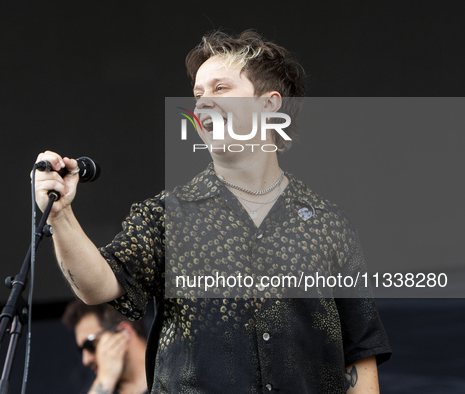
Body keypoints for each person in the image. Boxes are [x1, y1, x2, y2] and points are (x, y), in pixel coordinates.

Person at [34, 30, 391, 393]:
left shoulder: (328, 224)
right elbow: (98, 286)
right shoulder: (166, 214)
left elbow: (359, 353)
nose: (203, 104)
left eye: (220, 89)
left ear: (269, 105)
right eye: (198, 95)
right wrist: (60, 214)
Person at [61, 299, 148, 394]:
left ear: (124, 332)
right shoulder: (94, 385)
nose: (86, 360)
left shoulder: (166, 373)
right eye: (81, 350)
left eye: (90, 345)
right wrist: (106, 379)